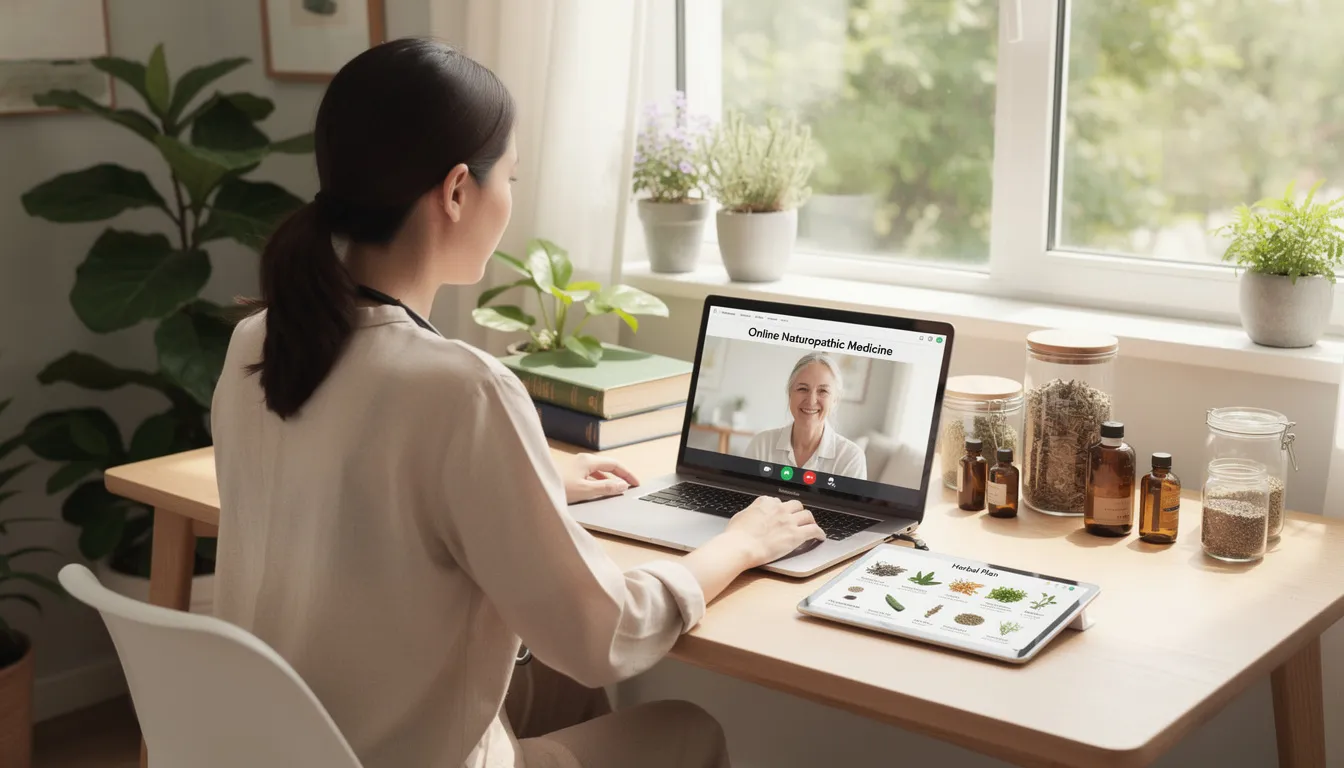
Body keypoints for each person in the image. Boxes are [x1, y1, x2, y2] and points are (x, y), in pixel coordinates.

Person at [210, 39, 824, 768]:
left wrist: (528, 479)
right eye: (512, 177)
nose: (511, 200)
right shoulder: (461, 387)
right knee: (687, 728)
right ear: (458, 190)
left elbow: (361, 473)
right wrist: (742, 543)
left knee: (557, 686)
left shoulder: (260, 338)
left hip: (294, 742)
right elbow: (604, 635)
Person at [743, 352, 868, 479]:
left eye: (823, 391)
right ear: (790, 394)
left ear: (835, 400)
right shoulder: (761, 444)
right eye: (803, 389)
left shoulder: (851, 458)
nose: (811, 400)